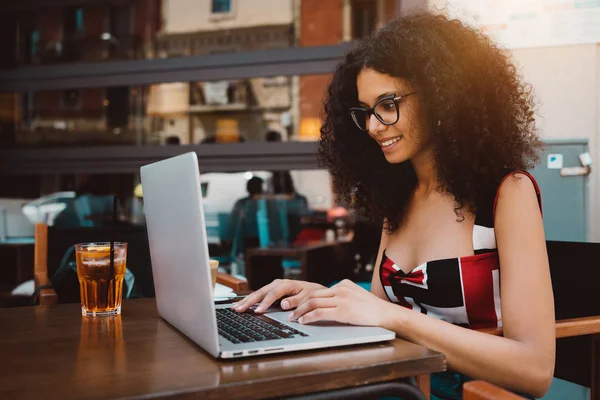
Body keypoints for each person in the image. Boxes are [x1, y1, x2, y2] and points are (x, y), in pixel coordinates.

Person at [232, 12, 555, 400]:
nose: (373, 126)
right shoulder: (399, 197)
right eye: (366, 111)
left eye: (388, 104)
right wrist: (316, 296)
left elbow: (536, 370)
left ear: (443, 96)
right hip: (400, 384)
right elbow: (377, 313)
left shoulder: (507, 192)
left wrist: (392, 317)